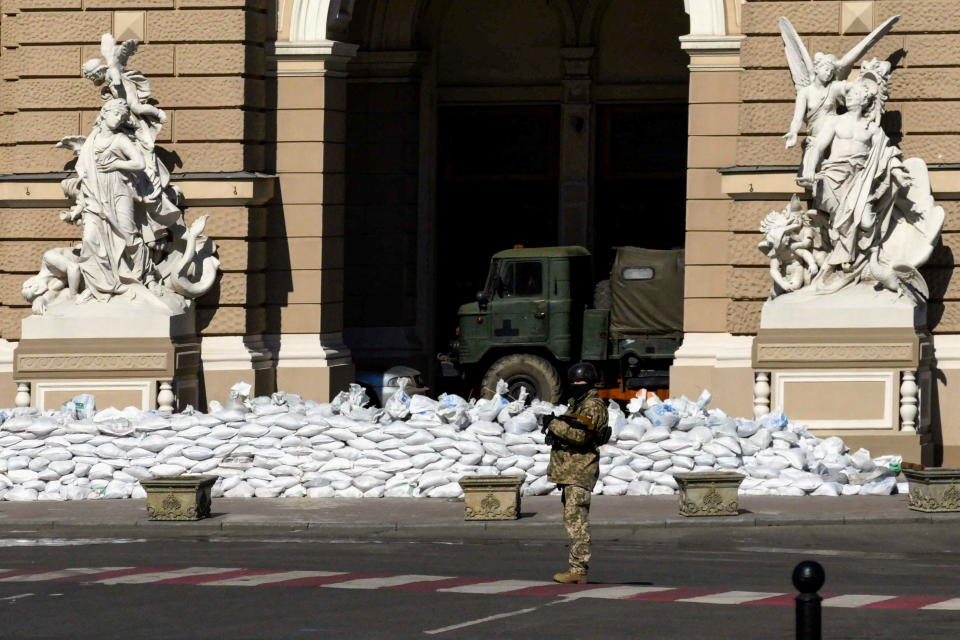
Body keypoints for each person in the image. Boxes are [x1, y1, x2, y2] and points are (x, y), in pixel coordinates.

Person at [545, 362, 609, 584]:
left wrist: (553, 425)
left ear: (590, 383)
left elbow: (581, 437)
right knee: (573, 519)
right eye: (573, 382)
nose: (576, 386)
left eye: (580, 382)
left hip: (580, 471)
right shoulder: (577, 404)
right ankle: (576, 568)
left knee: (577, 521)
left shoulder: (592, 406)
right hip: (570, 471)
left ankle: (578, 570)